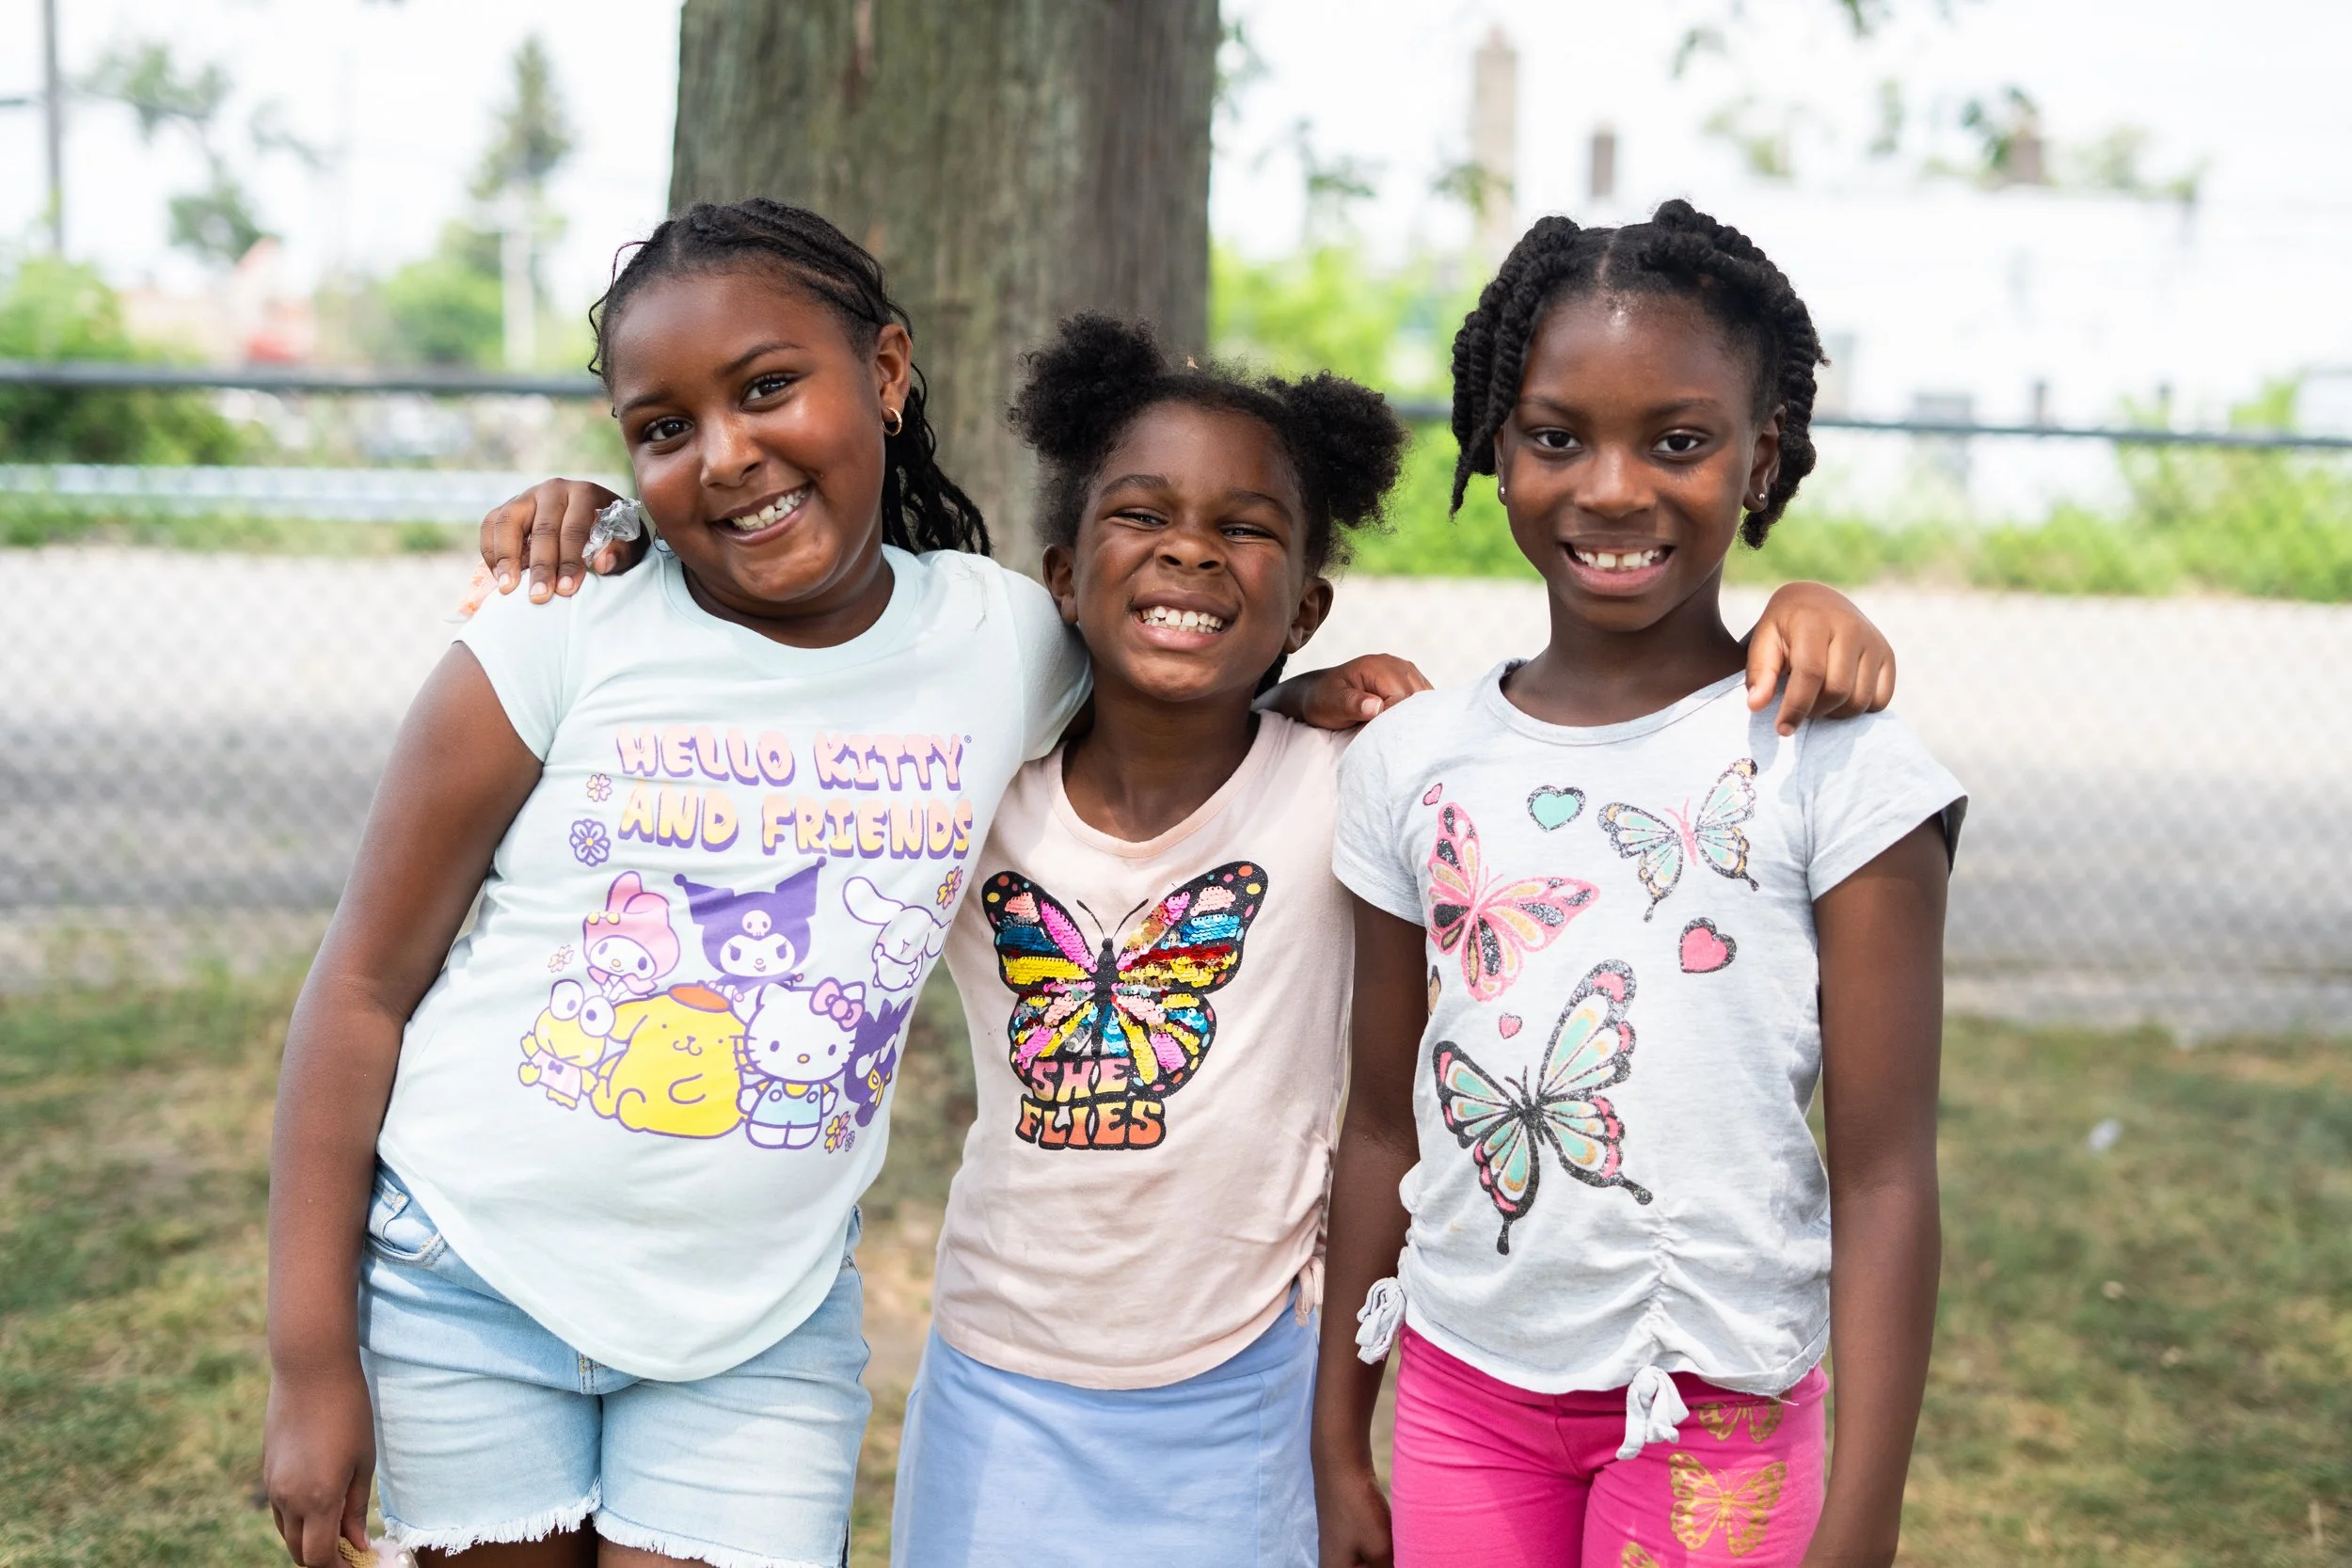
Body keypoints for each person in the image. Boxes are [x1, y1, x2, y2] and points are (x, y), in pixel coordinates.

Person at [469, 282, 1905, 1568]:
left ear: (1307, 605)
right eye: (1141, 516)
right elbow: (789, 651)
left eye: (1245, 530)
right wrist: (600, 521)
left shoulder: (1359, 778)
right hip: (1000, 1373)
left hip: (1246, 1391)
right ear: (1059, 575)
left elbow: (1560, 749)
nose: (1190, 554)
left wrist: (1813, 602)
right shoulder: (975, 773)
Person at [259, 199, 1401, 1568]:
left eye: (765, 388)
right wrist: (309, 1362)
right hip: (473, 1282)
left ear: (888, 372)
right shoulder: (559, 626)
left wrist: (1303, 696)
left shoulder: (996, 637)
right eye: (663, 428)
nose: (728, 453)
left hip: (761, 1324)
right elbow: (362, 986)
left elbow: (1172, 646)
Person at [1313, 201, 1964, 1568]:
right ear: (1495, 445)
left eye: (1678, 441)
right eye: (1557, 436)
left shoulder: (1839, 768)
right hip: (1461, 1393)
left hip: (1715, 1409)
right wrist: (1337, 1433)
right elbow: (1381, 1124)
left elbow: (1889, 1172)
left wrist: (1866, 1521)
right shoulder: (1411, 762)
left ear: (1759, 452)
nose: (1613, 488)